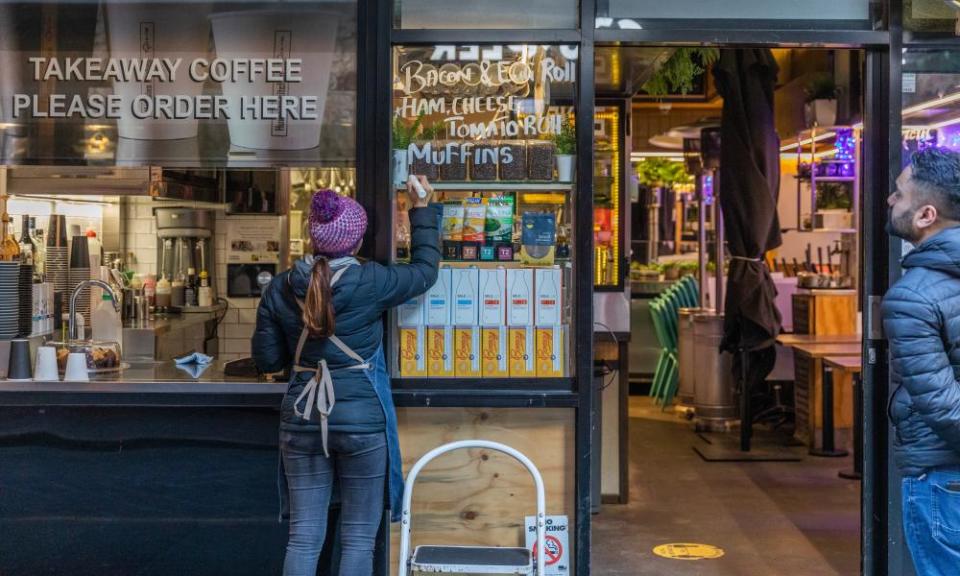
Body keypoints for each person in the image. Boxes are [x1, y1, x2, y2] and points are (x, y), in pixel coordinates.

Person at [253, 177, 439, 576]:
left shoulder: (281, 287)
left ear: (313, 238)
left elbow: (267, 360)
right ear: (355, 243)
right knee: (358, 538)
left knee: (303, 537)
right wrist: (420, 209)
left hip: (301, 421)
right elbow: (424, 271)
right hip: (362, 425)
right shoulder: (370, 280)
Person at [883, 147, 960, 574]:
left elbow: (945, 409)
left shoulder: (912, 297)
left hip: (944, 482)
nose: (890, 201)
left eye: (899, 193)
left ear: (926, 214)